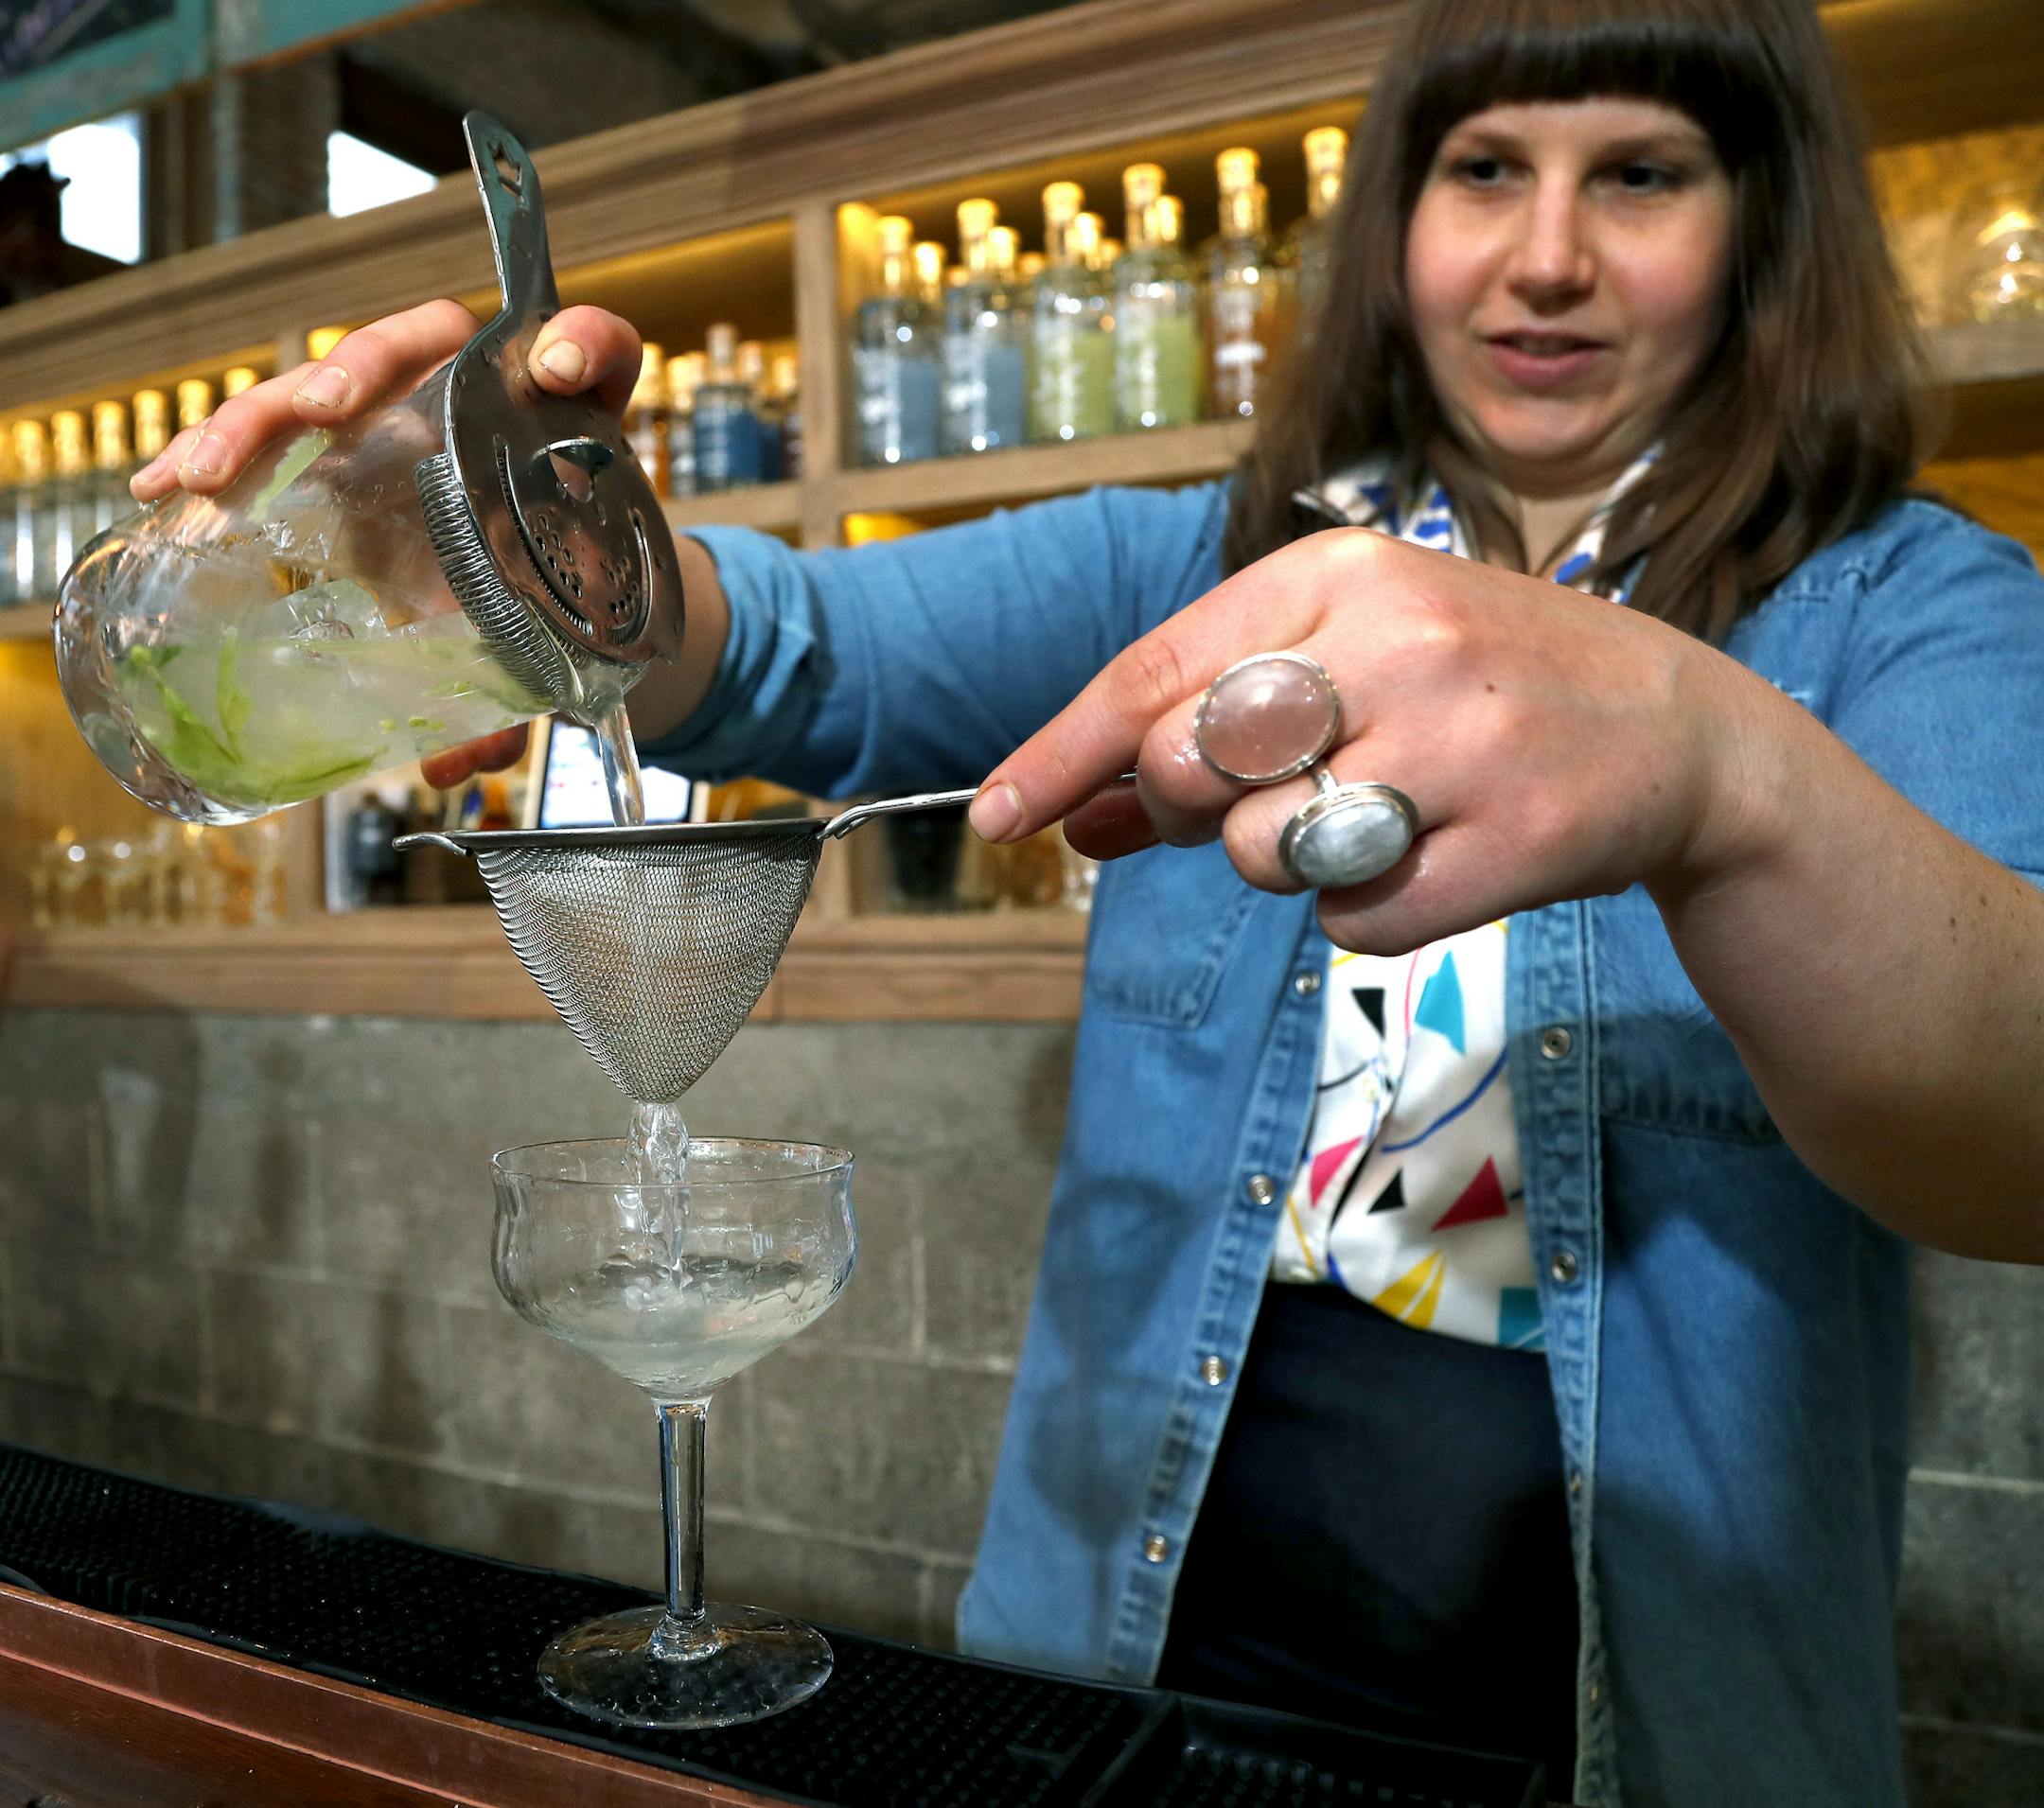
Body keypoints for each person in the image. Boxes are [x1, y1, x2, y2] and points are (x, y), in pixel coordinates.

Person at [139, 0, 2044, 1799]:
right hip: (1135, 1631)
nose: (1546, 257)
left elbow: (2014, 1133)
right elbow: (794, 646)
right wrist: (550, 550)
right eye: (1484, 171)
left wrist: (1718, 768)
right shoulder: (1212, 564)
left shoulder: (1907, 609)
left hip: (1661, 1690)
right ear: (1398, 220)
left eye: (1640, 174)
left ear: (1763, 223)